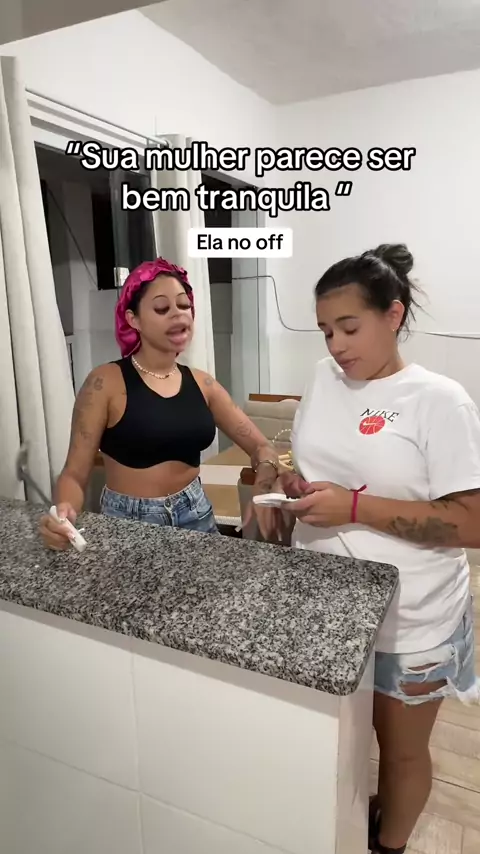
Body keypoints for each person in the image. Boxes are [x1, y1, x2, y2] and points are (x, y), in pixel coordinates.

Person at [256, 244, 480, 854]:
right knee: (344, 741)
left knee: (400, 751)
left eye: (349, 328)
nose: (336, 345)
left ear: (393, 315)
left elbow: (471, 522)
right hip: (326, 603)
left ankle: (392, 844)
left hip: (412, 615)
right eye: (326, 330)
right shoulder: (323, 379)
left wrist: (354, 508)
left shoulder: (440, 401)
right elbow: (322, 463)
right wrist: (292, 484)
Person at [40, 257, 281, 549]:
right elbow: (74, 474)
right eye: (162, 308)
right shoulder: (105, 383)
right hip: (129, 525)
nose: (178, 314)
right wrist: (64, 511)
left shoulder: (203, 384)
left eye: (184, 305)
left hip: (197, 516)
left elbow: (262, 448)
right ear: (134, 319)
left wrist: (263, 485)